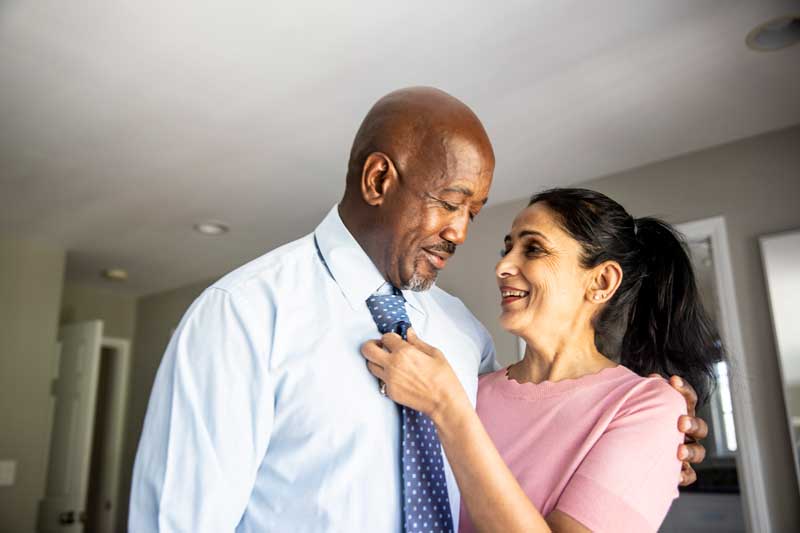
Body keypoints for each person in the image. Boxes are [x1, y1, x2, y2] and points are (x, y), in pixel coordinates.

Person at [129, 89, 708, 532]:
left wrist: (654, 438)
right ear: (379, 179)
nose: (461, 234)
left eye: (474, 214)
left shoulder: (464, 339)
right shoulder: (244, 315)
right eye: (450, 204)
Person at [361, 187, 722, 532]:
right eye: (507, 248)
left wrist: (447, 408)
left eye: (533, 249)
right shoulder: (472, 386)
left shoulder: (644, 406)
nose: (503, 266)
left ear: (601, 281)